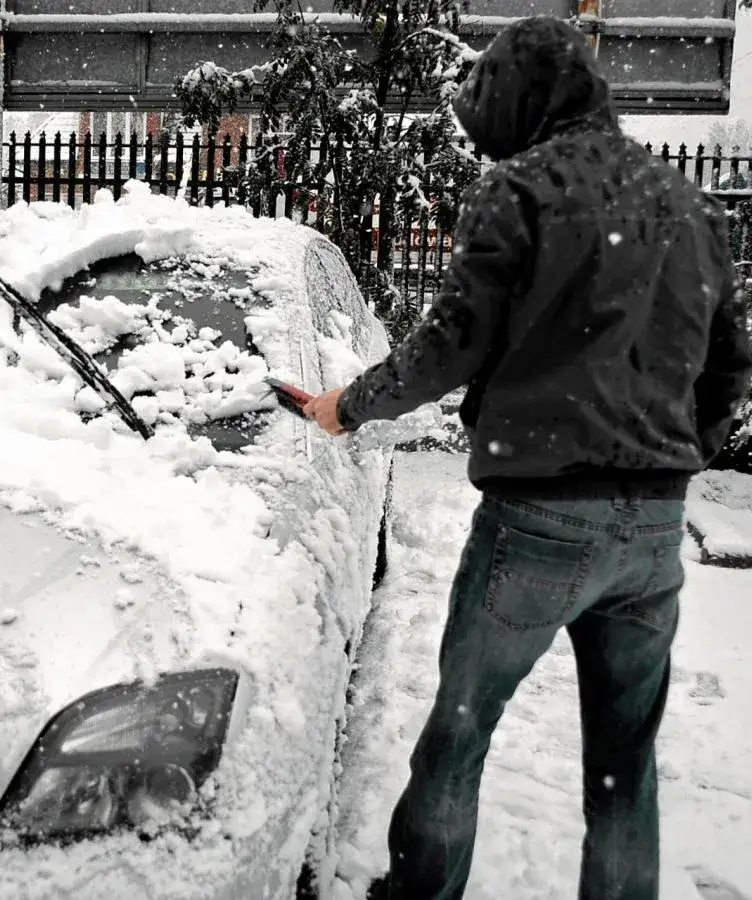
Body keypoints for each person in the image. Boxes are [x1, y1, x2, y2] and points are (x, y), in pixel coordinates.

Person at [302, 15, 752, 900]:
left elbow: (452, 345)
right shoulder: (688, 204)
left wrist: (347, 405)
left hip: (537, 519)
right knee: (624, 767)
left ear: (520, 101)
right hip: (653, 527)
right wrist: (673, 461)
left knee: (459, 735)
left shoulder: (519, 192)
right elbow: (731, 362)